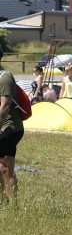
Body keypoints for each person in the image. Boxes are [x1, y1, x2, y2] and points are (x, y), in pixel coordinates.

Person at [0, 50, 24, 203]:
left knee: (5, 166)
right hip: (5, 128)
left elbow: (5, 106)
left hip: (9, 127)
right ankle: (10, 202)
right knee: (6, 167)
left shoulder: (5, 77)